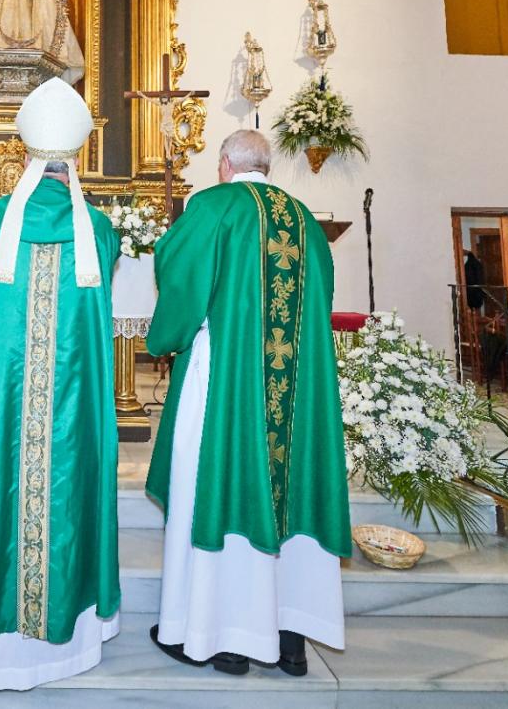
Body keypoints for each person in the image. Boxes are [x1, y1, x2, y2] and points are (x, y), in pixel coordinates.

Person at [0, 78, 121, 692]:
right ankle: (65, 642)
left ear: (28, 154)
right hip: (69, 414)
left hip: (1, 406)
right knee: (65, 485)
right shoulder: (96, 228)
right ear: (74, 158)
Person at [146, 129, 351, 677]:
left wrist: (164, 338)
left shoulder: (214, 206)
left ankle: (226, 637)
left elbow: (181, 278)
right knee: (288, 491)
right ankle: (288, 640)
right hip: (296, 387)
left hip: (225, 380)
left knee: (218, 484)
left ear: (224, 164)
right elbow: (322, 298)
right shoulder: (305, 219)